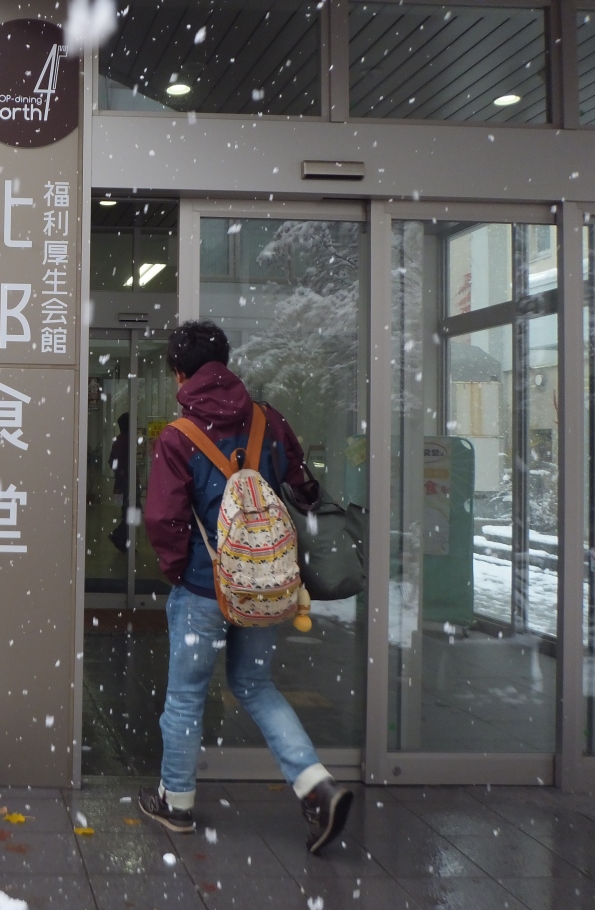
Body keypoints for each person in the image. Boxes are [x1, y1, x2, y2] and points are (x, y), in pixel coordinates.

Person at [138, 320, 353, 855]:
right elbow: (303, 488)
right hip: (267, 584)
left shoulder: (178, 436)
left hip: (204, 588)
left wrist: (182, 571)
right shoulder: (268, 421)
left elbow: (163, 519)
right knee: (255, 684)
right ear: (226, 363)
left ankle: (176, 802)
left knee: (186, 696)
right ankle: (316, 786)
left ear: (180, 373)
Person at [107, 413, 130, 552]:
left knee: (127, 511)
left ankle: (123, 540)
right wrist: (123, 473)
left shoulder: (119, 440)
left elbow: (112, 461)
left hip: (121, 483)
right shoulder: (125, 441)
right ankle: (119, 536)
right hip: (126, 483)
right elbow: (115, 461)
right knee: (131, 511)